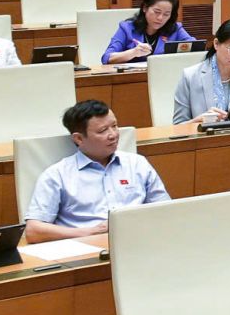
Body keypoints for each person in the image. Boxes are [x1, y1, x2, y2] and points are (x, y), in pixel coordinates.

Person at [23, 101, 172, 242]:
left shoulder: (137, 164)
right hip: (84, 248)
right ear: (79, 139)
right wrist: (90, 232)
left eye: (114, 126)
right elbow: (34, 231)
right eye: (103, 131)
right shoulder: (57, 175)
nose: (113, 135)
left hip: (139, 241)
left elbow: (166, 211)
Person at [102, 0, 195, 64]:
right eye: (156, 12)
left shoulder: (175, 29)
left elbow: (195, 47)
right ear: (145, 8)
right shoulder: (127, 28)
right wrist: (133, 52)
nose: (160, 18)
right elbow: (107, 58)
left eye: (166, 14)